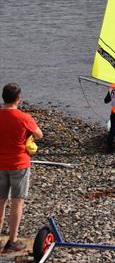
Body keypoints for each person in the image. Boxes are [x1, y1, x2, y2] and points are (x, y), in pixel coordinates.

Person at [0, 83, 43, 254]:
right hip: (19, 163)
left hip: (0, 164)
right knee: (17, 201)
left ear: (3, 97)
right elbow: (40, 134)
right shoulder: (24, 117)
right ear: (18, 98)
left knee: (0, 201)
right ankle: (13, 241)